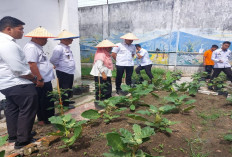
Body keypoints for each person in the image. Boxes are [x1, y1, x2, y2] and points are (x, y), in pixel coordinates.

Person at [0, 16, 38, 149]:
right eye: (20, 29)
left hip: (7, 84)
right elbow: (18, 68)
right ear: (8, 29)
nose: (22, 32)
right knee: (27, 108)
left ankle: (15, 135)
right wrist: (33, 78)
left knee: (12, 109)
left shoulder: (4, 42)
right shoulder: (7, 44)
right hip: (18, 82)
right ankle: (23, 140)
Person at [24, 26, 55, 125]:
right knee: (42, 100)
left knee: (48, 99)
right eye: (44, 38)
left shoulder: (37, 47)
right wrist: (39, 79)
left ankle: (49, 117)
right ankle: (43, 119)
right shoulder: (31, 48)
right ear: (36, 37)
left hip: (45, 79)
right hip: (41, 80)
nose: (46, 40)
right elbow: (32, 64)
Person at [50, 30, 79, 109]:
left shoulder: (67, 47)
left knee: (69, 87)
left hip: (69, 71)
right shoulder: (59, 48)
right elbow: (53, 59)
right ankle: (64, 103)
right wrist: (56, 65)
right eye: (70, 39)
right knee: (64, 88)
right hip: (63, 71)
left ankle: (67, 100)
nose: (72, 40)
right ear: (64, 39)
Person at [90, 40, 116, 108]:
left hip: (106, 74)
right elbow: (99, 65)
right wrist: (103, 74)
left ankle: (107, 101)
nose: (110, 48)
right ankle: (100, 102)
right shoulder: (101, 54)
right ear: (104, 47)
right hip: (100, 74)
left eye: (111, 47)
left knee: (108, 88)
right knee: (100, 88)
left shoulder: (106, 54)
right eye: (109, 47)